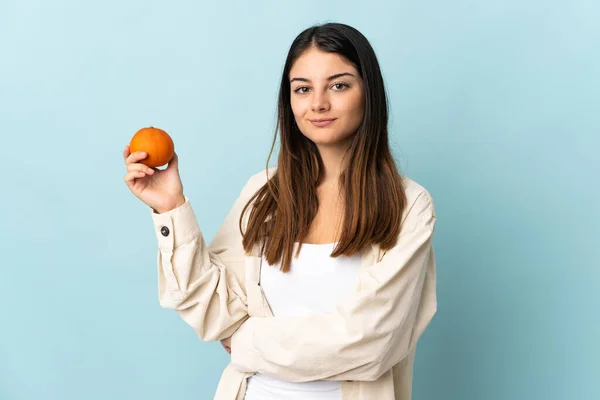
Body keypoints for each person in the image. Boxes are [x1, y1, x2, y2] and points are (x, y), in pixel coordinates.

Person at [123, 22, 437, 400]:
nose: (318, 103)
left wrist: (247, 341)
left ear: (368, 92)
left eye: (339, 85)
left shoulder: (408, 205)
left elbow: (370, 342)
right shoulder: (263, 192)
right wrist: (171, 207)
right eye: (302, 89)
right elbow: (213, 311)